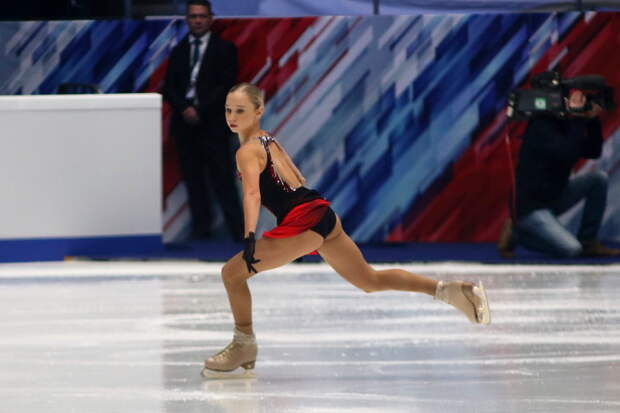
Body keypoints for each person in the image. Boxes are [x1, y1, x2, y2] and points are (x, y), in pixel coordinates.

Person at [200, 83, 491, 377]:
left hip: (304, 222)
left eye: (240, 110)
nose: (232, 117)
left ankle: (244, 345)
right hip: (323, 215)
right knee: (369, 280)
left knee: (232, 274)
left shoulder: (247, 151)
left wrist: (250, 235)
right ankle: (451, 291)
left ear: (258, 111)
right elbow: (298, 179)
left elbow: (252, 194)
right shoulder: (267, 140)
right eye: (228, 110)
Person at [498, 88, 620, 258]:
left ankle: (588, 241)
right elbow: (567, 152)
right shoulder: (541, 126)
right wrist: (578, 117)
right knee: (572, 249)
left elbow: (593, 151)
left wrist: (592, 121)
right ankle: (517, 233)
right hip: (530, 206)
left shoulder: (568, 125)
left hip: (555, 196)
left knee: (598, 178)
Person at [162, 0, 243, 241]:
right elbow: (169, 87)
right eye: (193, 16)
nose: (197, 20)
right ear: (187, 20)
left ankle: (238, 232)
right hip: (185, 126)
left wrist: (200, 109)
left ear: (210, 19)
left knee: (223, 180)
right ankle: (201, 232)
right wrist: (184, 109)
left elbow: (226, 85)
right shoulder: (178, 50)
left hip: (213, 125)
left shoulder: (225, 49)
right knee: (193, 181)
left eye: (202, 16)